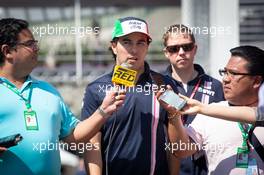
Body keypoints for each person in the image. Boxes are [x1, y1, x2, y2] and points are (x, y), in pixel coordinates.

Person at [0, 18, 126, 175]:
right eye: (30, 44)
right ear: (7, 51)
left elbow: (73, 137)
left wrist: (104, 110)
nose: (36, 49)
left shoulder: (49, 90)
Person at [81, 17, 176, 175]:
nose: (134, 49)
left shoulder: (164, 85)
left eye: (141, 42)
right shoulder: (95, 89)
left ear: (147, 47)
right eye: (127, 42)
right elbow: (92, 145)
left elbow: (176, 145)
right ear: (113, 46)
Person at [161, 45, 264, 174]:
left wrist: (200, 107)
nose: (225, 79)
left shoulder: (206, 109)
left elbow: (257, 115)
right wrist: (174, 115)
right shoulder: (211, 111)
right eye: (225, 72)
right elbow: (182, 150)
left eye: (234, 74)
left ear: (256, 80)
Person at [162, 24, 225, 174]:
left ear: (195, 49)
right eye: (174, 48)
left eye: (187, 47)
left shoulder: (217, 86)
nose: (181, 52)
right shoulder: (157, 86)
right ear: (166, 52)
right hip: (167, 167)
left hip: (206, 168)